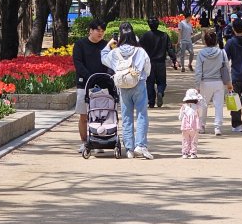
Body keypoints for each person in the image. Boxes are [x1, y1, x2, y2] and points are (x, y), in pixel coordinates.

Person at [102, 22, 153, 159]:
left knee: (126, 117)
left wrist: (109, 44)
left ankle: (129, 149)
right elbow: (147, 68)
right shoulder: (140, 51)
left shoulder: (115, 52)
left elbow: (103, 57)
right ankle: (140, 145)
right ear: (133, 35)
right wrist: (142, 77)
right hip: (139, 83)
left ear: (120, 36)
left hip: (123, 87)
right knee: (142, 115)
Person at [72, 19, 108, 153]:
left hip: (103, 85)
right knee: (84, 115)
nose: (101, 33)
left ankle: (99, 140)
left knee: (101, 114)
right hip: (84, 85)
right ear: (90, 30)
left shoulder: (106, 46)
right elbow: (78, 63)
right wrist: (90, 78)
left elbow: (109, 63)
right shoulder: (80, 44)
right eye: (98, 30)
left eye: (102, 31)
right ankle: (84, 142)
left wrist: (105, 77)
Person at [194, 29, 232, 136]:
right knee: (218, 105)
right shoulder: (222, 52)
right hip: (219, 82)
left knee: (203, 105)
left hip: (205, 82)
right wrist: (229, 83)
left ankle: (201, 126)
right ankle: (217, 127)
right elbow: (227, 68)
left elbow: (198, 71)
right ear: (216, 41)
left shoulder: (201, 53)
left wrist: (197, 85)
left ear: (205, 41)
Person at [139, 17, 177, 108]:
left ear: (149, 25)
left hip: (149, 63)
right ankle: (160, 92)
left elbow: (139, 49)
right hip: (160, 63)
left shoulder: (145, 36)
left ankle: (151, 102)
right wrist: (174, 60)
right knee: (162, 82)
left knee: (149, 82)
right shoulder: (164, 35)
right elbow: (170, 49)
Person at [179, 89, 202, 158]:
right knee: (194, 140)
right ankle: (193, 153)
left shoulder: (183, 106)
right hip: (195, 126)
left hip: (185, 126)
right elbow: (200, 114)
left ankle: (185, 153)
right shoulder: (197, 107)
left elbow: (180, 117)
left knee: (185, 140)